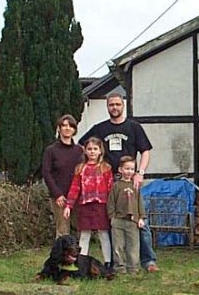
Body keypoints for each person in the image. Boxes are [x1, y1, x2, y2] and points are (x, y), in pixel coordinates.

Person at [79, 92, 159, 272]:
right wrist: (91, 167)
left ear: (123, 105)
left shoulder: (134, 127)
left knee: (139, 218)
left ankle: (148, 260)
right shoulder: (99, 128)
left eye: (117, 104)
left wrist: (140, 172)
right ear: (107, 107)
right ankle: (117, 261)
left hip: (130, 180)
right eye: (111, 105)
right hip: (109, 180)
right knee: (113, 221)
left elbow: (145, 151)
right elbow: (82, 144)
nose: (114, 108)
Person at [63, 137, 114, 272]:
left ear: (100, 151)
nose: (92, 152)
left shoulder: (106, 168)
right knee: (84, 235)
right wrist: (69, 205)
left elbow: (111, 189)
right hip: (85, 205)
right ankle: (82, 261)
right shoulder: (80, 169)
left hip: (101, 205)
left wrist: (112, 207)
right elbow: (75, 188)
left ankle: (108, 262)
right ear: (85, 151)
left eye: (95, 149)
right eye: (89, 149)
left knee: (103, 234)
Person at [42, 114, 83, 238]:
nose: (67, 128)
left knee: (80, 229)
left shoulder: (79, 150)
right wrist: (57, 194)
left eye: (70, 126)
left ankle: (79, 256)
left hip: (77, 196)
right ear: (59, 128)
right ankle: (60, 256)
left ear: (74, 130)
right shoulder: (51, 150)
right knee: (63, 231)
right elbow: (46, 173)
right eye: (64, 125)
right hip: (60, 197)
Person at [107, 156, 146, 274]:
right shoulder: (116, 186)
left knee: (133, 246)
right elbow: (111, 202)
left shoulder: (136, 186)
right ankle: (120, 267)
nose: (129, 171)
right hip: (118, 220)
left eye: (132, 169)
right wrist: (112, 217)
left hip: (133, 220)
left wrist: (141, 217)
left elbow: (140, 202)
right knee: (118, 246)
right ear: (120, 170)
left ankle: (133, 267)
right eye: (126, 168)